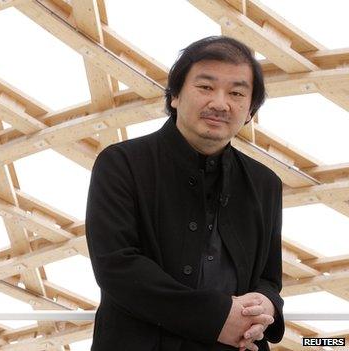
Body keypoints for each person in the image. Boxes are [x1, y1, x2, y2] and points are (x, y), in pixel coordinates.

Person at [85, 36, 285, 350]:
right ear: (176, 95)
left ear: (250, 111)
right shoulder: (121, 163)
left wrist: (265, 304)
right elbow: (116, 266)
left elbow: (269, 278)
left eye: (236, 93)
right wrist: (218, 317)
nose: (220, 103)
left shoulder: (266, 183)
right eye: (205, 87)